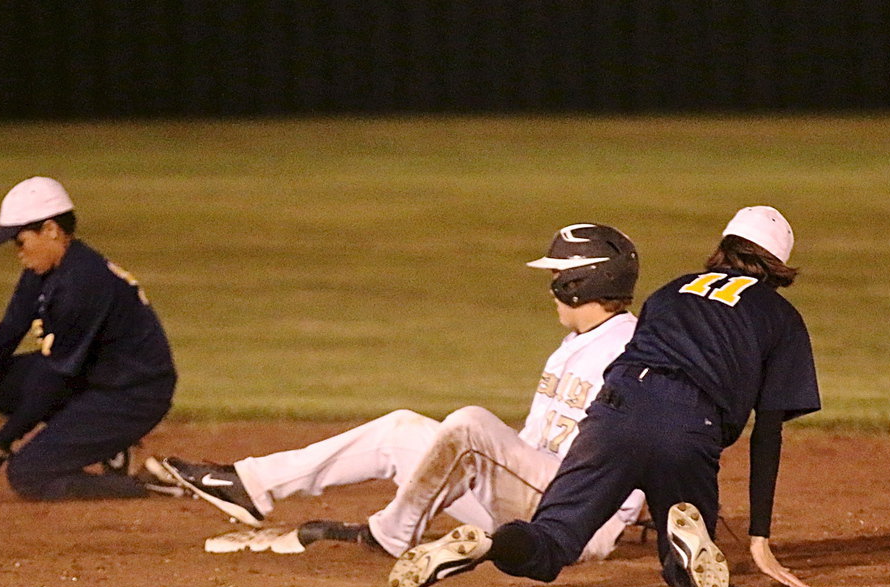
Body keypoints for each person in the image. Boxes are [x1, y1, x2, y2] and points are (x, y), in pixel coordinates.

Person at [389, 205, 820, 587]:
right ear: (777, 263)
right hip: (691, 425)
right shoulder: (781, 318)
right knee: (686, 576)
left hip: (617, 407)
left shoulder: (671, 291)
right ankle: (684, 541)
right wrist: (758, 539)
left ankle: (489, 543)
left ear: (724, 247)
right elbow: (767, 433)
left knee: (551, 541)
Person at [162, 223, 646, 562]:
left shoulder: (631, 351)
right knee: (401, 431)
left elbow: (653, 439)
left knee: (471, 423)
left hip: (576, 524)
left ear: (585, 282)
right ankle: (252, 484)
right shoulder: (578, 344)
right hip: (532, 503)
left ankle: (391, 536)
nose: (551, 287)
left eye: (557, 277)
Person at [0, 176, 178, 500]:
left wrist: (1, 443)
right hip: (98, 378)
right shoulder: (47, 271)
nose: (18, 252)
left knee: (30, 475)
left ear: (51, 230)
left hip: (134, 394)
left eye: (20, 241)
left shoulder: (82, 284)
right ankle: (106, 444)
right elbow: (3, 337)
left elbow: (55, 379)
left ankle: (152, 482)